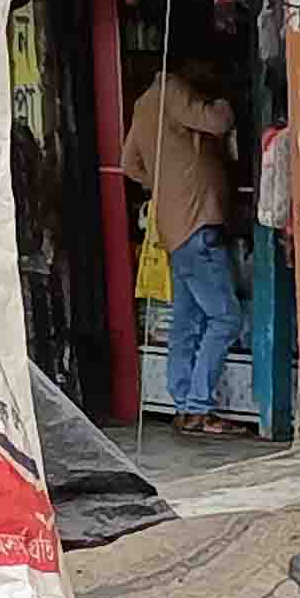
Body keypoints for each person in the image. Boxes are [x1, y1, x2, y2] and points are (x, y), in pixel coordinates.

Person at [124, 49, 243, 434]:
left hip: (174, 227)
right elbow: (216, 122)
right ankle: (198, 405)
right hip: (198, 221)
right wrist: (227, 101)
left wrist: (163, 184)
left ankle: (182, 402)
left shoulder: (143, 103)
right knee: (226, 318)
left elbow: (130, 164)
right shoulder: (172, 90)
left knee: (187, 321)